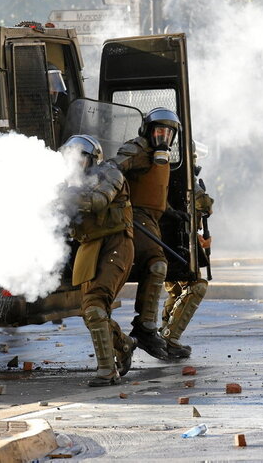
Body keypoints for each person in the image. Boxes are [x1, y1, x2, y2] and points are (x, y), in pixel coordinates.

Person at [61, 134, 135, 387]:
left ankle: (107, 370)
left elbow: (98, 200)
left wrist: (65, 196)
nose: (74, 165)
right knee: (90, 312)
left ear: (92, 160)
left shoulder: (110, 175)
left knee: (95, 307)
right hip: (89, 247)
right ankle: (124, 345)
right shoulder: (67, 184)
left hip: (116, 243)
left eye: (80, 159)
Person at [109, 107, 181, 360]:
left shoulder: (159, 157)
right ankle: (146, 327)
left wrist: (170, 211)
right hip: (136, 217)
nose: (163, 136)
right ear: (147, 131)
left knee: (159, 265)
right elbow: (112, 170)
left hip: (153, 218)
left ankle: (147, 327)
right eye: (159, 130)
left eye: (168, 133)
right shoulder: (137, 149)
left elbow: (154, 190)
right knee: (157, 265)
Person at [160, 174, 214, 358]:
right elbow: (203, 204)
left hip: (164, 239)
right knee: (196, 286)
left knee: (176, 291)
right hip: (177, 240)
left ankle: (163, 336)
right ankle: (169, 338)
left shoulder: (159, 173)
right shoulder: (182, 177)